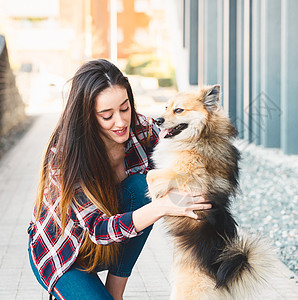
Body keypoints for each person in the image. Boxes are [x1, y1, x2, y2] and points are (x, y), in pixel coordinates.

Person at [27, 59, 211, 299]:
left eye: (125, 108)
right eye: (107, 115)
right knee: (150, 198)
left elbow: (189, 155)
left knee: (141, 186)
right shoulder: (65, 157)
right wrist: (163, 206)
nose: (121, 122)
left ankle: (116, 293)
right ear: (87, 116)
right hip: (63, 254)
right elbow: (98, 229)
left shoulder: (142, 130)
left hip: (110, 246)